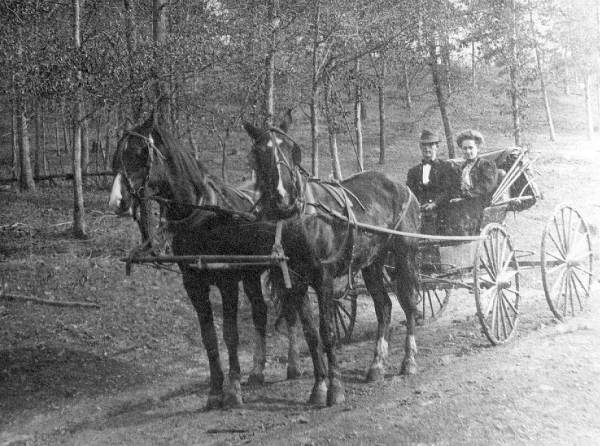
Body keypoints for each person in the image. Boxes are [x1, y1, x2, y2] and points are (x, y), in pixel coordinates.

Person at [446, 129, 498, 235]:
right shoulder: (463, 167)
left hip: (479, 203)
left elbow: (486, 186)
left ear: (477, 148)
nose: (468, 151)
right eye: (464, 148)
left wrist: (466, 195)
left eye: (471, 148)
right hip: (463, 202)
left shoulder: (485, 164)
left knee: (460, 218)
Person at [406, 129, 456, 234]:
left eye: (430, 145)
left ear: (437, 147)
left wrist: (434, 203)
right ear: (420, 147)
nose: (426, 148)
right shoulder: (413, 172)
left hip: (440, 212)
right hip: (418, 212)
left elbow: (448, 191)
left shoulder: (446, 167)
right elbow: (409, 193)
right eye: (423, 145)